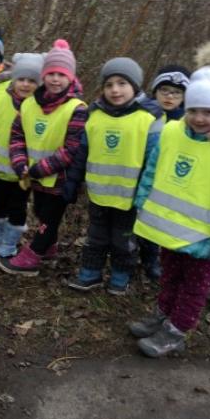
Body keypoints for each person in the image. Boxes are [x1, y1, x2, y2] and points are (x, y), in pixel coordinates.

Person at [129, 43, 210, 357]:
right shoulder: (172, 133)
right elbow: (152, 170)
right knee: (170, 276)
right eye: (194, 110)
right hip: (168, 229)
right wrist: (142, 202)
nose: (198, 117)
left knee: (194, 287)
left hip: (203, 238)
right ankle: (163, 314)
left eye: (208, 112)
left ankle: (176, 330)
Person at [65, 57, 163, 294]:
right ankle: (90, 274)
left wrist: (146, 194)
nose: (115, 90)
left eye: (122, 83)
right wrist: (73, 181)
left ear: (135, 86)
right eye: (109, 85)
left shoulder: (149, 118)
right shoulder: (94, 115)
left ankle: (120, 278)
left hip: (130, 198)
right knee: (95, 237)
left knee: (124, 241)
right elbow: (83, 152)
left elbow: (153, 161)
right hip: (99, 193)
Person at [0, 39, 87, 275]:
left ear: (70, 77)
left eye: (61, 74)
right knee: (39, 211)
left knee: (49, 217)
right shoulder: (29, 104)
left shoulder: (77, 108)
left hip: (61, 178)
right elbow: (17, 136)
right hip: (34, 176)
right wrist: (20, 164)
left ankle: (33, 256)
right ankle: (49, 246)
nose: (55, 79)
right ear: (43, 76)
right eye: (51, 74)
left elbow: (71, 149)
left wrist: (39, 168)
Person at [0, 53, 43, 257]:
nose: (25, 84)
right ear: (13, 79)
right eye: (21, 79)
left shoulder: (40, 106)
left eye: (32, 81)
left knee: (17, 208)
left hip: (24, 173)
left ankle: (9, 244)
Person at [139, 64, 191, 280]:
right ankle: (143, 257)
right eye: (164, 91)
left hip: (171, 181)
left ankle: (158, 261)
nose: (169, 97)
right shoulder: (143, 114)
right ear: (155, 91)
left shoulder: (188, 122)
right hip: (142, 177)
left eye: (177, 93)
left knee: (162, 221)